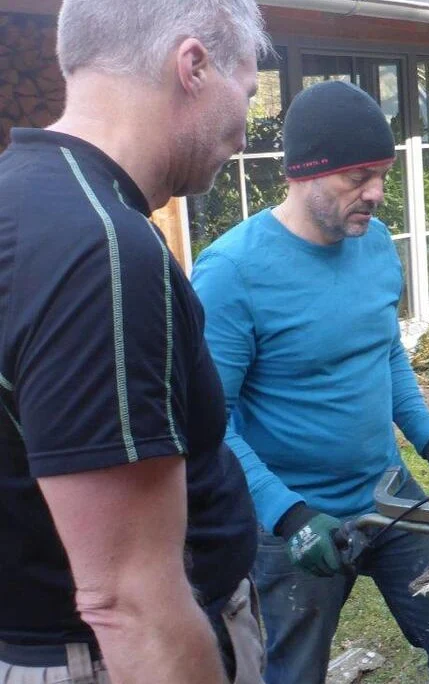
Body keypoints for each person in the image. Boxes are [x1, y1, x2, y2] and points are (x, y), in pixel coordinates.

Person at [0, 1, 271, 683]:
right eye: (248, 90)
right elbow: (128, 603)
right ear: (194, 66)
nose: (244, 131)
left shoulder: (20, 205)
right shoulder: (101, 255)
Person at [191, 80, 429, 684]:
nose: (376, 193)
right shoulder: (231, 274)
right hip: (292, 521)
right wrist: (289, 514)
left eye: (381, 174)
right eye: (357, 177)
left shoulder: (374, 243)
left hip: (388, 493)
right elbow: (209, 423)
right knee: (292, 671)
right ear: (304, 173)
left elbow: (383, 354)